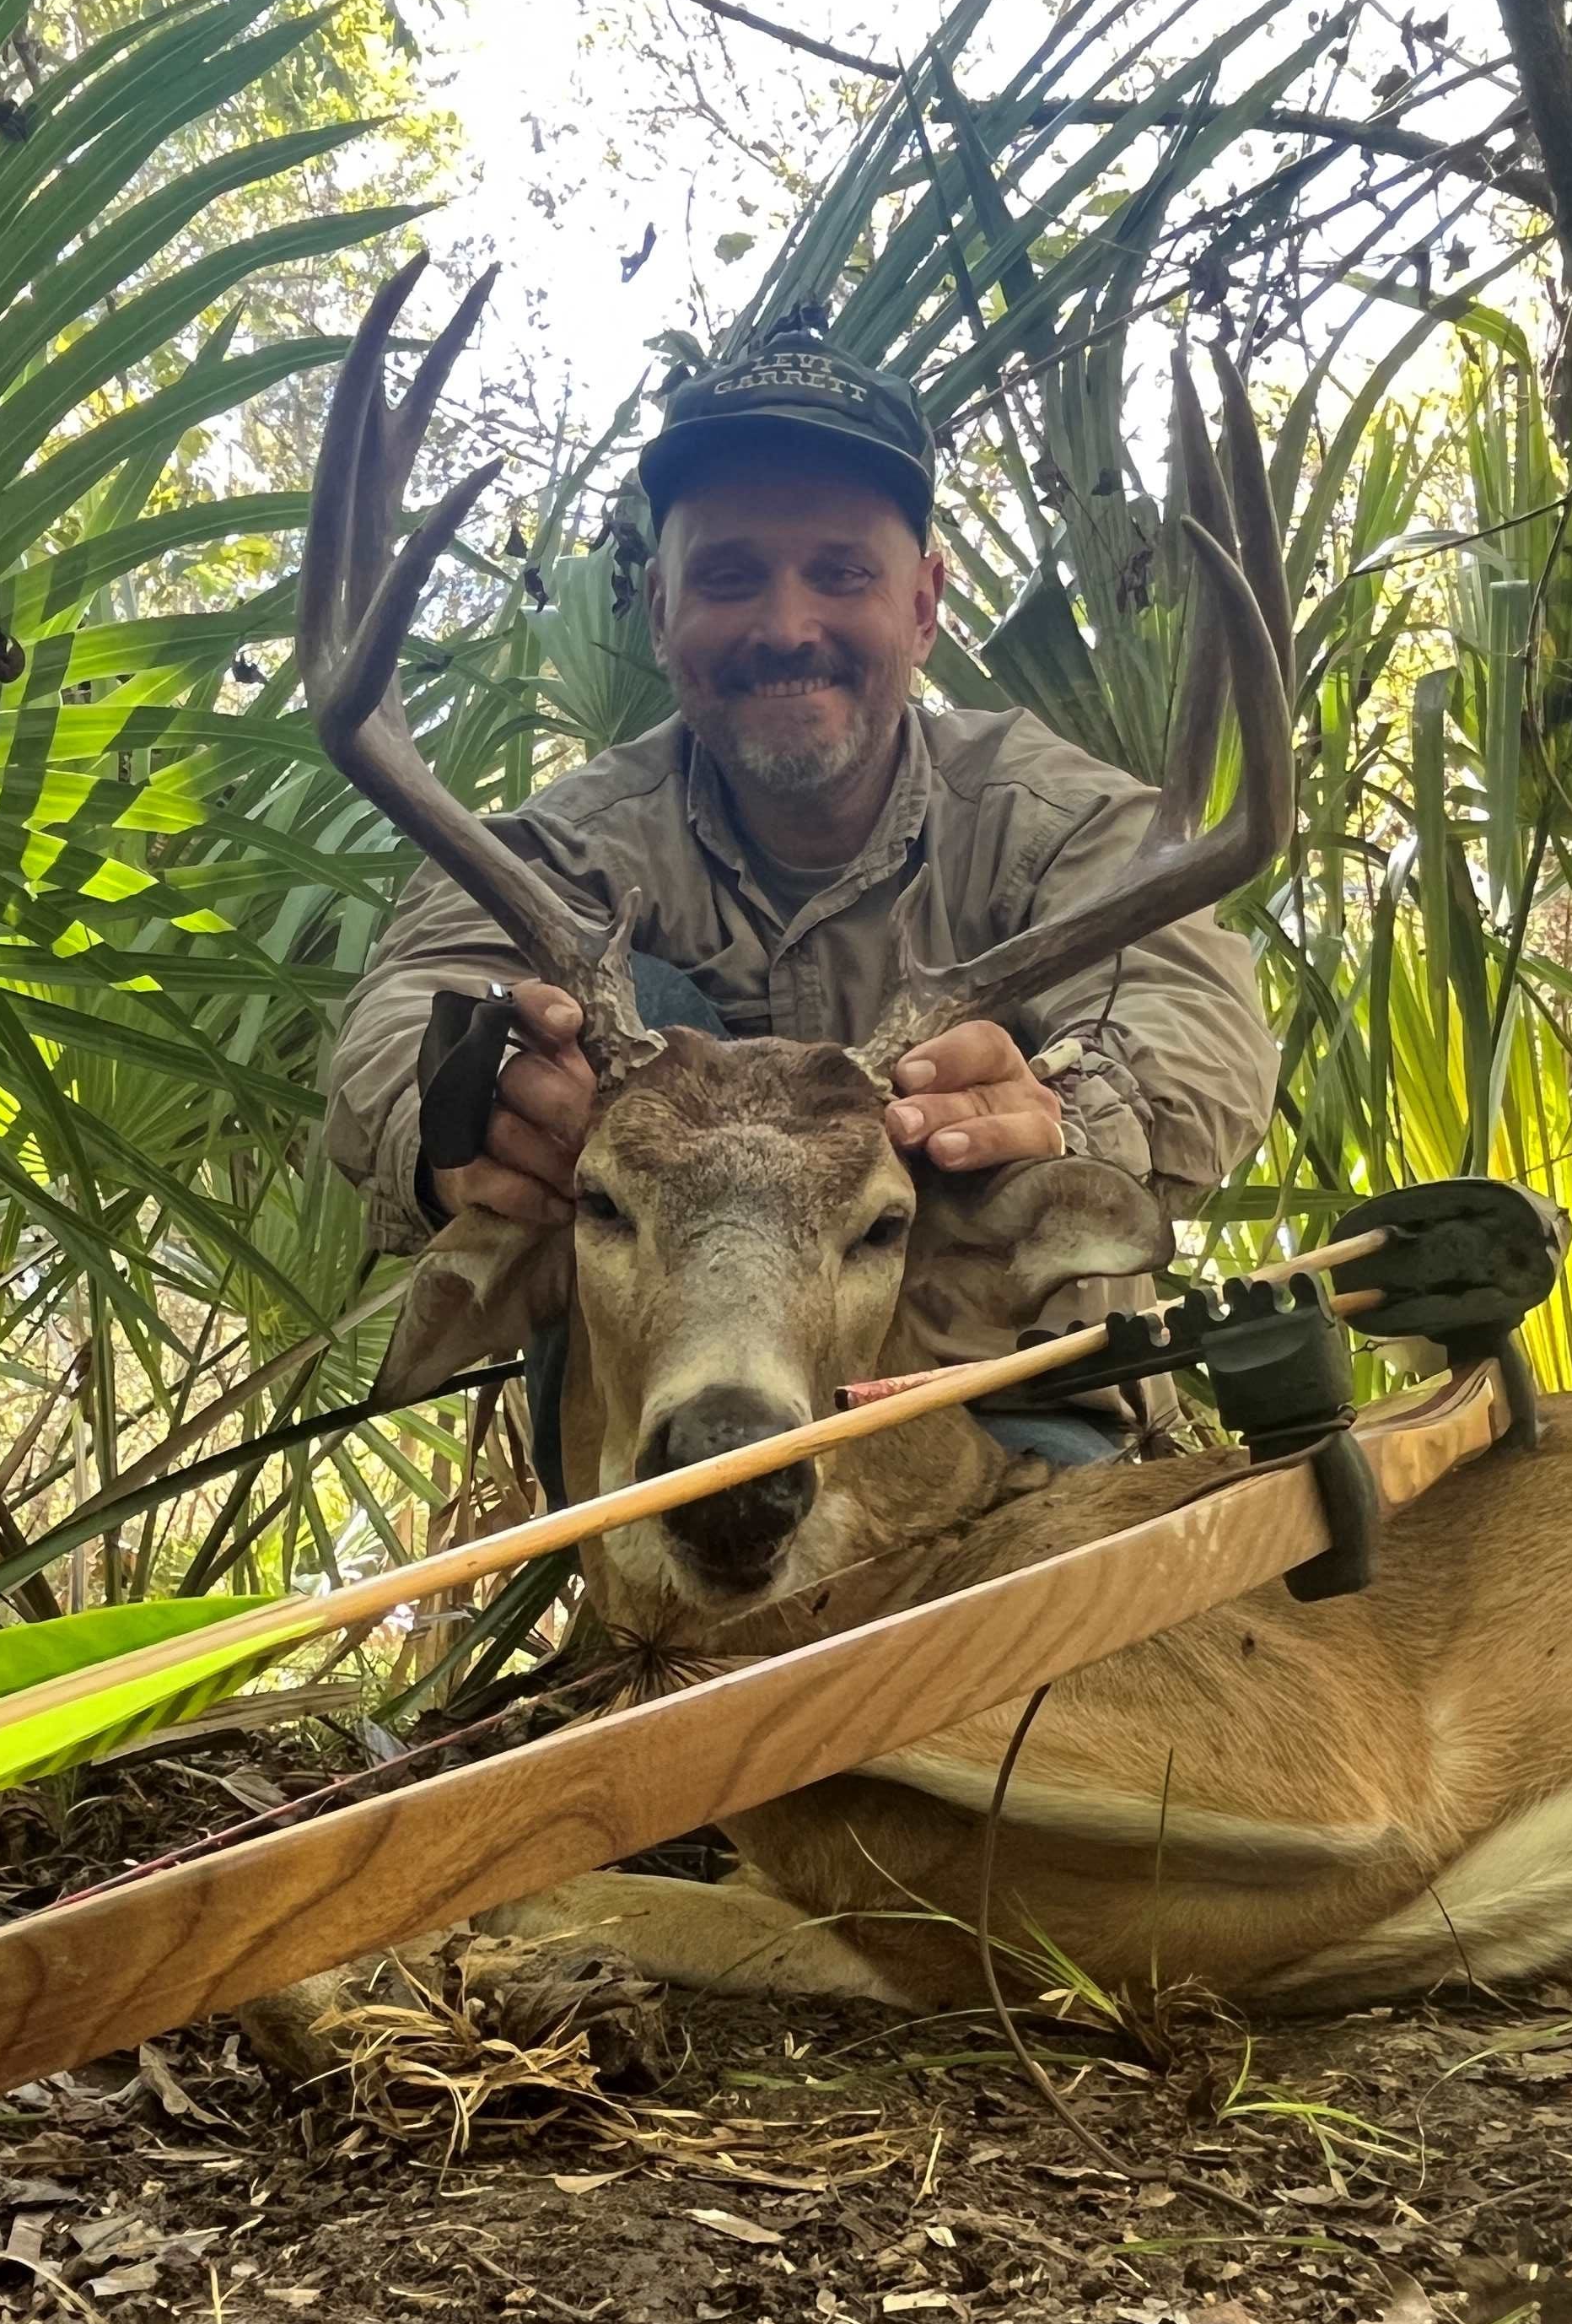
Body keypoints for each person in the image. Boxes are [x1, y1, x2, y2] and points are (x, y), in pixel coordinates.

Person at [326, 315, 1279, 1470]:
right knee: (594, 1014)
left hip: (993, 1413)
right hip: (667, 1448)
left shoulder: (1054, 820)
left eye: (841, 576)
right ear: (663, 607)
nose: (786, 629)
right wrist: (474, 1105)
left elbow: (1192, 1009)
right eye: (729, 578)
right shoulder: (571, 851)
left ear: (924, 603)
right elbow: (405, 1010)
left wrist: (1063, 1114)